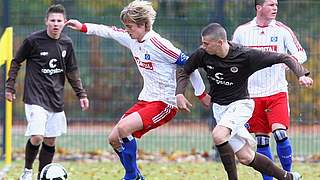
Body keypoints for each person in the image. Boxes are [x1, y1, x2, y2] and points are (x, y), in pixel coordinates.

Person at [65, 0, 205, 179]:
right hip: (146, 99)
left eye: (130, 26)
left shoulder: (159, 44)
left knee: (123, 129)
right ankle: (137, 176)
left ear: (144, 25)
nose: (127, 30)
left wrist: (200, 94)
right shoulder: (132, 38)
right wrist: (83, 27)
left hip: (164, 103)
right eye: (126, 26)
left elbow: (190, 64)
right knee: (113, 139)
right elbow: (108, 31)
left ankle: (131, 176)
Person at [176, 23, 313, 180]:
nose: (202, 46)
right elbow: (185, 70)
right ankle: (287, 177)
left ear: (220, 42)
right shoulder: (203, 54)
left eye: (206, 43)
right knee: (246, 157)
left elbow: (283, 57)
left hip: (241, 105)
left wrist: (301, 74)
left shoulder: (245, 55)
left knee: (218, 135)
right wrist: (180, 94)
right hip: (220, 109)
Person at [5, 4, 89, 180]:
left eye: (59, 21)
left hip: (55, 99)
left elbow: (72, 71)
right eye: (52, 20)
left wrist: (81, 94)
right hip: (35, 98)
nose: (56, 24)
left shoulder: (67, 43)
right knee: (37, 136)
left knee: (50, 140)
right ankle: (27, 171)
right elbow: (16, 62)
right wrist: (10, 86)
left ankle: (41, 176)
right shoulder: (33, 41)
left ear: (64, 22)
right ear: (46, 22)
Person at [232, 1, 307, 179]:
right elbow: (231, 55)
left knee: (280, 133)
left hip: (277, 92)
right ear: (259, 7)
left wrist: (289, 62)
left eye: (276, 4)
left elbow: (301, 54)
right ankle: (268, 178)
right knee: (261, 139)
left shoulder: (282, 30)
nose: (275, 8)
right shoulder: (242, 31)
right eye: (271, 4)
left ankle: (287, 174)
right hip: (252, 95)